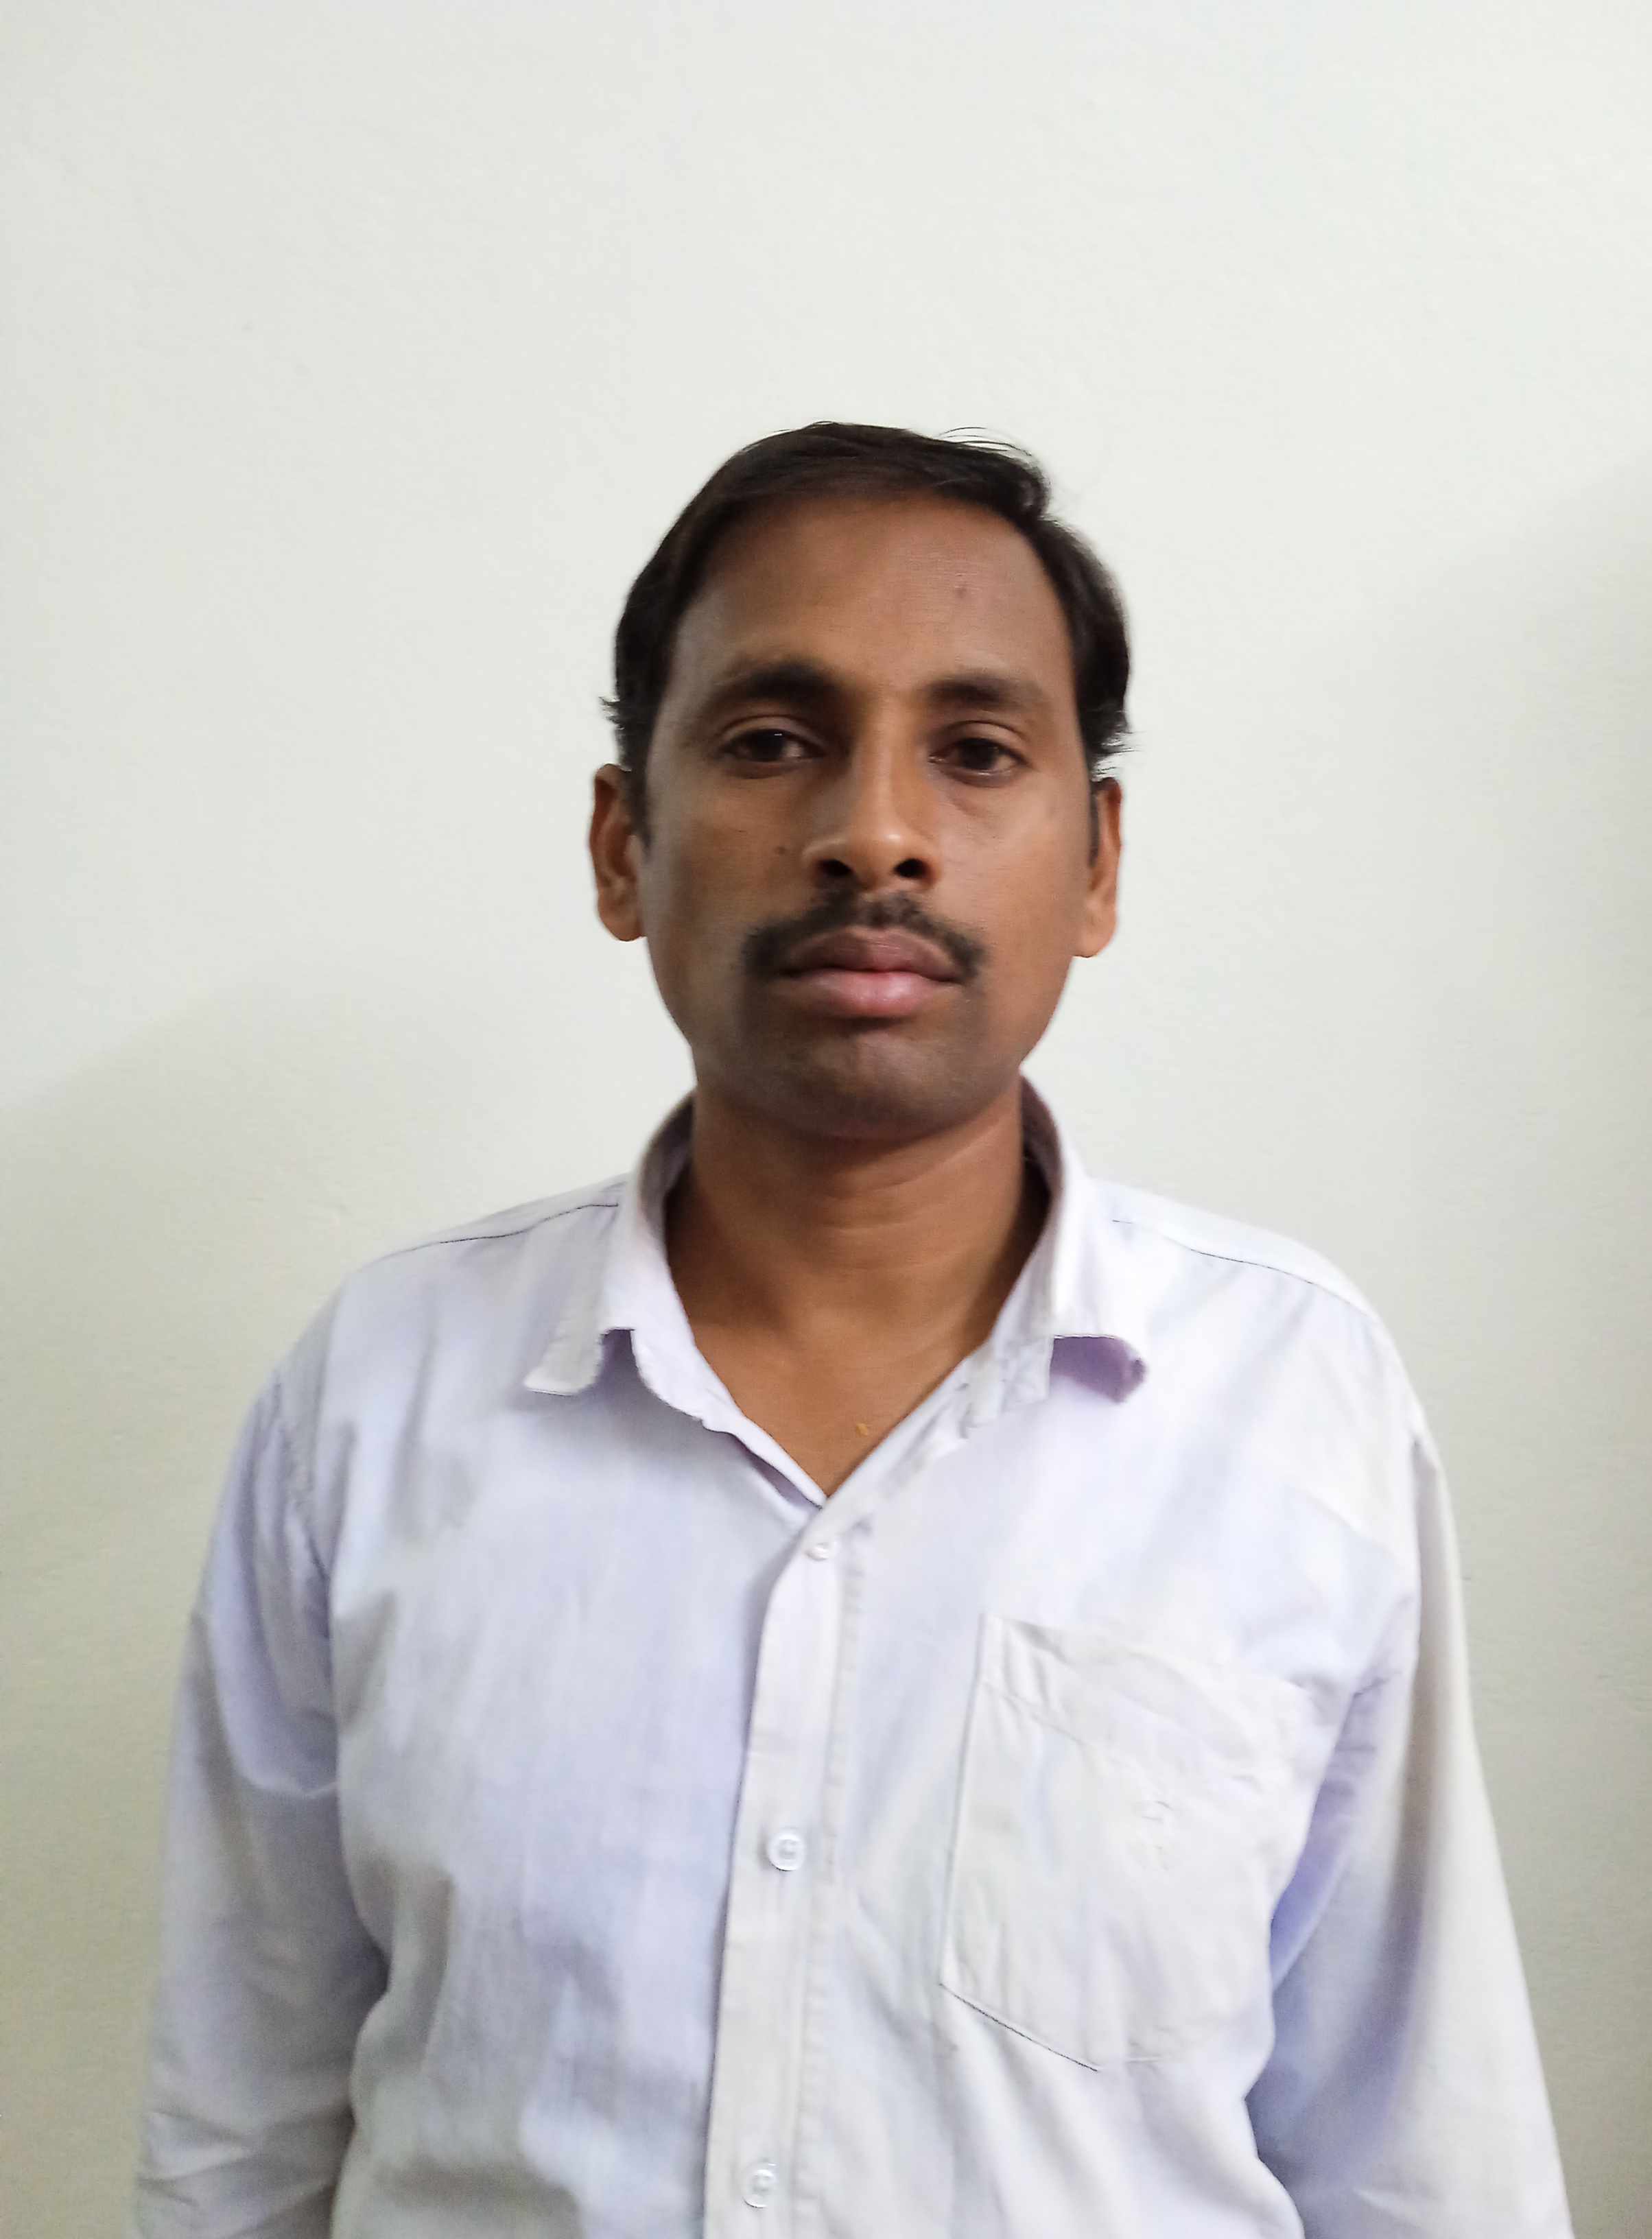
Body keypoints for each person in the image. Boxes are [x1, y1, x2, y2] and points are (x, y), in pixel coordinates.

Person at [130, 423, 1574, 2237]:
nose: (874, 832)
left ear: (1099, 862)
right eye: (769, 741)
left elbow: (1416, 2154)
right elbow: (239, 2136)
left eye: (977, 752)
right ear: (622, 845)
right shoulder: (383, 1394)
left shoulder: (1289, 1397)